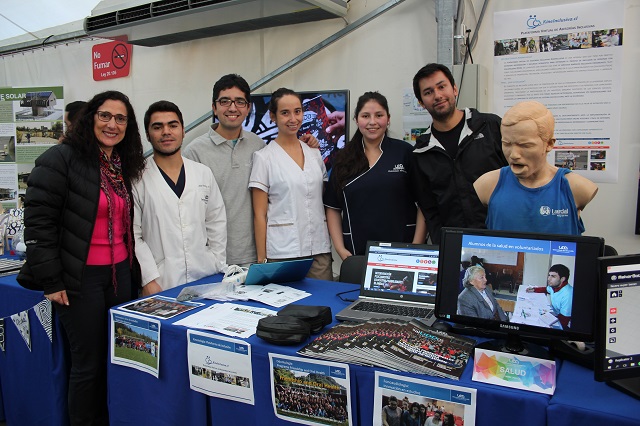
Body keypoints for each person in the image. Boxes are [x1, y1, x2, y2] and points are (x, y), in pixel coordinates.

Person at [17, 90, 145, 425]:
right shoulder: (60, 158)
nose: (112, 124)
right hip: (79, 278)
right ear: (90, 118)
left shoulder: (120, 164)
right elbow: (39, 223)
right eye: (105, 115)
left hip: (119, 275)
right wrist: (51, 280)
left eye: (120, 118)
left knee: (115, 358)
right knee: (87, 364)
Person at [183, 74, 318, 266]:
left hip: (254, 256)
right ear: (214, 107)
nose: (232, 108)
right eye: (225, 101)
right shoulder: (194, 152)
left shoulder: (259, 145)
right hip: (212, 258)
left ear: (248, 108)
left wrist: (306, 144)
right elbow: (189, 212)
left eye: (240, 102)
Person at [133, 100, 227, 295]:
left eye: (173, 125)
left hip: (205, 275)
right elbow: (134, 235)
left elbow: (216, 222)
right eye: (157, 127)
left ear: (183, 131)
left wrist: (216, 261)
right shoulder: (137, 179)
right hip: (161, 281)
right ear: (148, 135)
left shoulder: (202, 173)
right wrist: (148, 279)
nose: (166, 132)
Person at [410, 63, 507, 243]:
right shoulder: (421, 152)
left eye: (441, 87)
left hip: (501, 238)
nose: (437, 95)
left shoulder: (491, 127)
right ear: (421, 103)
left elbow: (518, 179)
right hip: (455, 246)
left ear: (454, 89)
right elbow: (429, 209)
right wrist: (443, 242)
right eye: (428, 92)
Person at [324, 92, 426, 259]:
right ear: (356, 120)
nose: (372, 122)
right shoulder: (343, 158)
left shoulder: (405, 152)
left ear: (388, 118)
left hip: (403, 251)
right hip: (358, 253)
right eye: (365, 116)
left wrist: (416, 246)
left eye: (379, 115)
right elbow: (333, 208)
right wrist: (341, 249)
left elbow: (424, 203)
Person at [474, 101, 598, 235]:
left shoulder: (576, 187)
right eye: (507, 144)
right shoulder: (488, 184)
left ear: (549, 144)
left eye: (525, 145)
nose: (514, 155)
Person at [249, 88, 332, 280]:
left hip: (318, 249)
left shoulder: (314, 153)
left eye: (297, 111)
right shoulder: (264, 158)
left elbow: (320, 199)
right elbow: (259, 215)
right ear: (273, 116)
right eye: (285, 113)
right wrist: (262, 260)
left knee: (324, 297)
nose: (293, 119)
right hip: (283, 252)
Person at [526, 264, 573, 329]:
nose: (548, 279)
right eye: (549, 275)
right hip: (555, 315)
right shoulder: (554, 286)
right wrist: (534, 289)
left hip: (565, 324)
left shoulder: (568, 295)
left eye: (553, 276)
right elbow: (546, 289)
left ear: (562, 279)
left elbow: (564, 321)